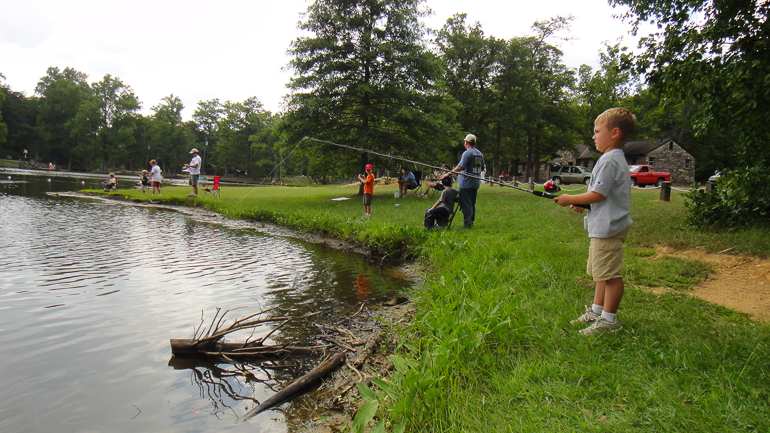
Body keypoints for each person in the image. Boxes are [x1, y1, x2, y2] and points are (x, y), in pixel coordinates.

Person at [554, 107, 637, 336]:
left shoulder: (610, 160)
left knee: (610, 274)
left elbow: (598, 195)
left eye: (597, 131)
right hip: (602, 226)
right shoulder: (609, 158)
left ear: (615, 133)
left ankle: (609, 320)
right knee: (601, 273)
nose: (594, 136)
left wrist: (571, 197)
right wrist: (584, 203)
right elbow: (600, 196)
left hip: (608, 227)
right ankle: (597, 311)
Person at [441, 134, 485, 228]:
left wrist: (448, 173)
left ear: (466, 142)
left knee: (466, 204)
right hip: (475, 183)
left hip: (466, 183)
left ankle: (467, 223)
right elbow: (482, 168)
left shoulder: (467, 153)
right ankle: (471, 221)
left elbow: (461, 167)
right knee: (472, 204)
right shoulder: (479, 153)